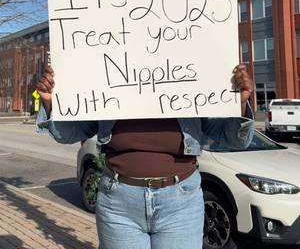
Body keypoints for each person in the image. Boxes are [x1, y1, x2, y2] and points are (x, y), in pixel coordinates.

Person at [37, 63, 254, 249]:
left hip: (181, 204)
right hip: (118, 203)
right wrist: (51, 104)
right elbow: (71, 132)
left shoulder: (191, 68)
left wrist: (240, 104)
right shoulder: (106, 69)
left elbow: (229, 137)